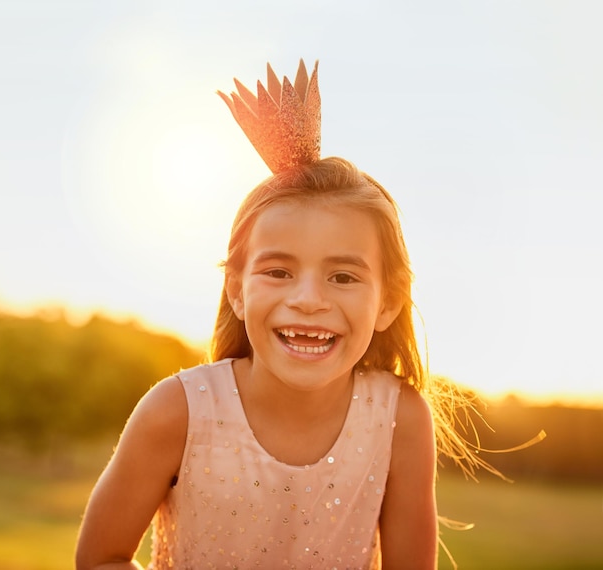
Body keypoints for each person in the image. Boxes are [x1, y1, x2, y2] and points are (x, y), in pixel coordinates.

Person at [75, 60, 487, 570]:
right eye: (278, 272)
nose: (309, 299)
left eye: (343, 276)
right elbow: (100, 558)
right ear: (237, 290)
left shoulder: (400, 420)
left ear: (388, 302)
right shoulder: (177, 412)